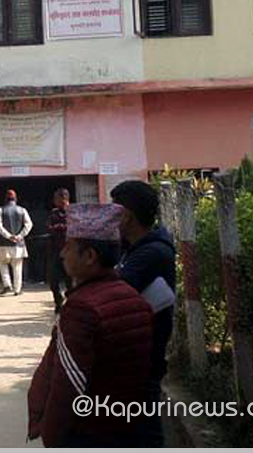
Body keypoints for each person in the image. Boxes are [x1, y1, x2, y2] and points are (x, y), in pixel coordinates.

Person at [27, 203, 153, 447]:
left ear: (89, 257)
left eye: (69, 246)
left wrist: (52, 438)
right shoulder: (134, 298)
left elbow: (68, 386)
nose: (62, 254)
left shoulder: (81, 309)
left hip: (88, 433)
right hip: (126, 428)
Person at [110, 180, 177, 448]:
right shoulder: (134, 248)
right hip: (134, 354)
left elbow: (112, 291)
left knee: (145, 432)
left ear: (127, 216)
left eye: (114, 211)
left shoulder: (152, 252)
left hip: (144, 356)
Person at [0, 189, 32, 296]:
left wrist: (8, 236)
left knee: (2, 263)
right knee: (17, 266)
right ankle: (17, 290)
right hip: (18, 245)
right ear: (16, 199)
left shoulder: (1, 210)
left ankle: (7, 285)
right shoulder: (22, 210)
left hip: (4, 244)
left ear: (5, 199)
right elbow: (29, 224)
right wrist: (20, 236)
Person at [46, 188, 73, 313]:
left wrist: (59, 227)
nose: (55, 201)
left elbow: (75, 228)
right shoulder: (53, 213)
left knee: (70, 281)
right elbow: (49, 228)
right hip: (55, 251)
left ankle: (72, 304)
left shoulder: (73, 213)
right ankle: (58, 301)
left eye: (57, 198)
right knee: (53, 281)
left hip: (70, 252)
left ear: (64, 199)